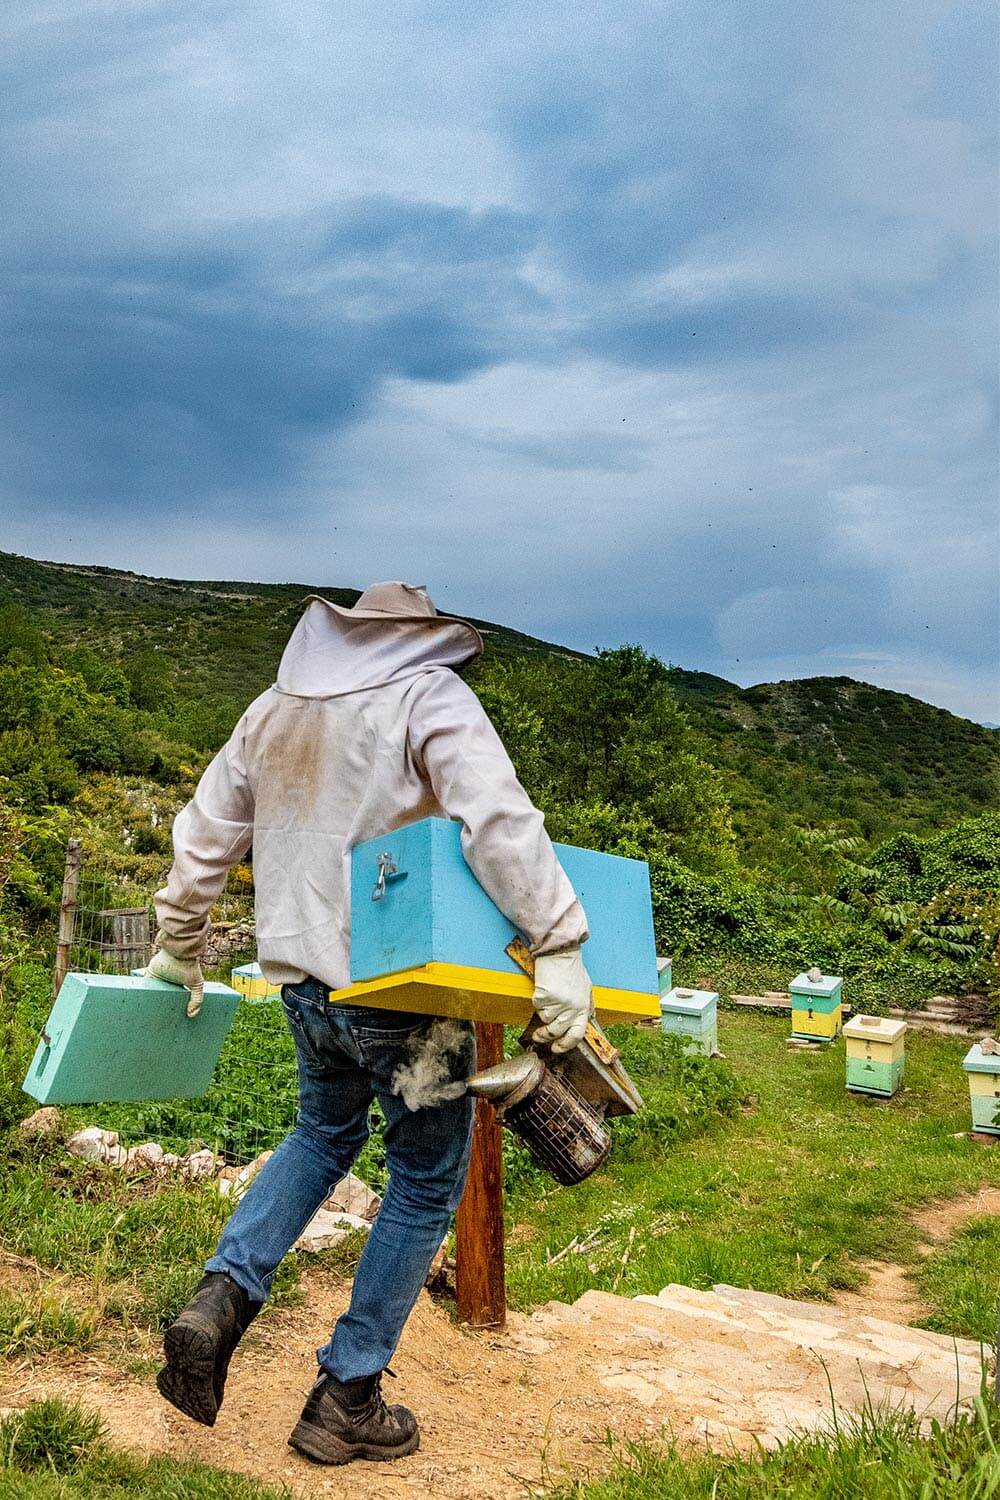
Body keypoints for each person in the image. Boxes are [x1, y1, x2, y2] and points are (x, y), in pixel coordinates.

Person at [148, 581, 592, 1466]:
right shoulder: (427, 694)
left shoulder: (272, 711)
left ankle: (222, 1296)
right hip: (404, 993)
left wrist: (178, 940)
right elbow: (496, 816)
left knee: (321, 1134)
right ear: (417, 635)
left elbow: (206, 830)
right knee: (425, 1178)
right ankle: (348, 1394)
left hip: (304, 987)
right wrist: (558, 938)